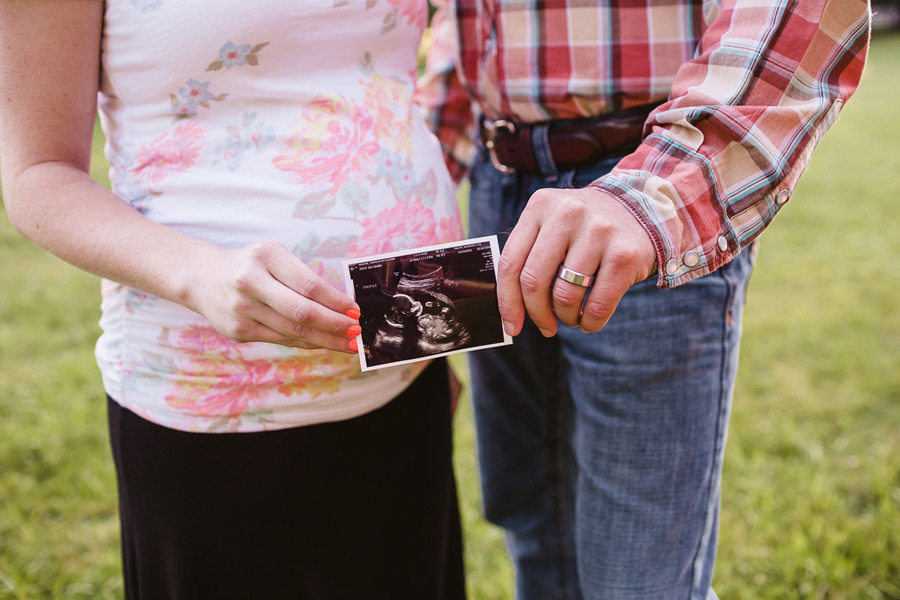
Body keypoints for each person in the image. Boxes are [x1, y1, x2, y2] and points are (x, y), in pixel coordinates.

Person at [0, 1, 467, 598]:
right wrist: (199, 273)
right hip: (210, 401)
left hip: (402, 372)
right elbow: (37, 173)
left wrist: (432, 341)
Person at [418, 1, 870, 598]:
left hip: (640, 179)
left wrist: (654, 195)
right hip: (498, 177)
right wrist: (420, 170)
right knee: (533, 528)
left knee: (640, 577)